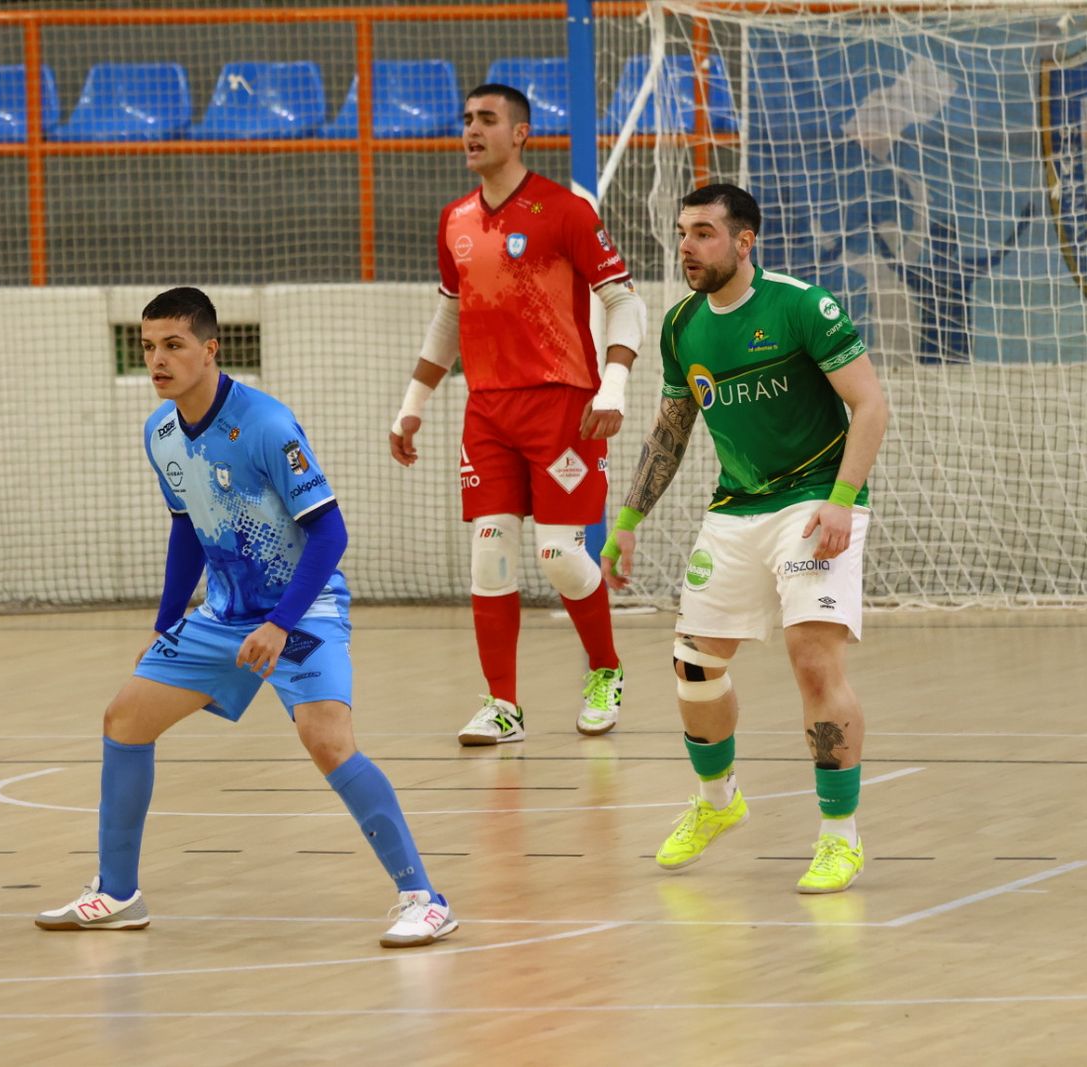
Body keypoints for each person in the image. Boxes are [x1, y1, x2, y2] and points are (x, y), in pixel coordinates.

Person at [37, 287, 456, 947]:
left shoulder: (266, 424)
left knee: (327, 740)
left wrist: (281, 622)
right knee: (124, 717)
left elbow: (329, 534)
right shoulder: (161, 433)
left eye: (173, 345)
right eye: (147, 347)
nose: (158, 360)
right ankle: (117, 893)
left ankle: (423, 897)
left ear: (211, 348)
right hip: (224, 613)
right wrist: (169, 617)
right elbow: (187, 529)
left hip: (303, 608)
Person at [602, 184, 889, 894]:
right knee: (694, 666)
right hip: (736, 508)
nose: (688, 246)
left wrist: (842, 503)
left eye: (703, 232)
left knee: (812, 661)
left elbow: (871, 404)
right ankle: (717, 800)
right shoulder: (681, 327)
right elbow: (671, 430)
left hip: (815, 499)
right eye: (682, 233)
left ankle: (839, 838)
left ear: (743, 241)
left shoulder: (800, 306)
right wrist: (627, 521)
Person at [388, 82, 648, 747]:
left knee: (560, 554)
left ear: (521, 133)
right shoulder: (455, 221)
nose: (471, 130)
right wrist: (413, 404)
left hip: (564, 408)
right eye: (466, 120)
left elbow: (626, 303)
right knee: (490, 558)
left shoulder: (564, 211)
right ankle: (503, 705)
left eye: (487, 119)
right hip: (489, 414)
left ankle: (606, 669)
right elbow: (452, 314)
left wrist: (612, 385)